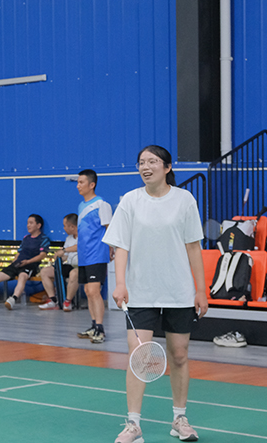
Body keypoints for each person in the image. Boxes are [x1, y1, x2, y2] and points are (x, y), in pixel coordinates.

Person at [102, 145, 207, 443]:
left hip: (178, 291)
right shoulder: (130, 201)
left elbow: (193, 247)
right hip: (141, 292)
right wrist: (120, 283)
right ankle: (133, 425)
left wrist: (201, 289)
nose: (145, 167)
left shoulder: (184, 200)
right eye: (141, 163)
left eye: (152, 161)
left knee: (179, 355)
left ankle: (180, 418)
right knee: (139, 356)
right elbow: (121, 246)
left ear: (167, 167)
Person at [0, 214, 49, 310]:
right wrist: (13, 263)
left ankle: (13, 299)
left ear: (38, 225)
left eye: (31, 223)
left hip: (30, 265)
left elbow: (42, 255)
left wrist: (27, 262)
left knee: (22, 277)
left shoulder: (43, 239)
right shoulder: (26, 238)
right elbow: (19, 253)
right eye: (27, 223)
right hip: (18, 264)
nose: (28, 225)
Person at [75, 169, 113, 343]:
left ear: (92, 185)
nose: (78, 185)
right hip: (84, 254)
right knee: (87, 291)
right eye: (77, 182)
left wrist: (111, 248)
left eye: (81, 182)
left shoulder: (102, 204)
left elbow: (109, 228)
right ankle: (93, 326)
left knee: (93, 291)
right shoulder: (81, 205)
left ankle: (100, 329)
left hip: (97, 253)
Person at [38, 213, 79, 311]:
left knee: (74, 274)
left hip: (81, 266)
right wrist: (59, 256)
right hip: (69, 264)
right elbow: (66, 256)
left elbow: (79, 247)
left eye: (65, 226)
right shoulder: (68, 239)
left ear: (72, 227)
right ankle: (53, 300)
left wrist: (64, 250)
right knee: (45, 272)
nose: (64, 228)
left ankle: (68, 301)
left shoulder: (84, 236)